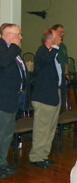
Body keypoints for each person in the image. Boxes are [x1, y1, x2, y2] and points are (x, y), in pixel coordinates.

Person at [0, 23, 25, 179]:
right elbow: (3, 62)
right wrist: (15, 47)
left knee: (7, 134)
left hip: (10, 98)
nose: (21, 37)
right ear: (9, 35)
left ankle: (2, 162)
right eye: (18, 34)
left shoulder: (9, 50)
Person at [29, 28, 62, 169]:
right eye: (58, 36)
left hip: (54, 94)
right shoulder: (42, 52)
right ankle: (36, 157)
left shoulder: (55, 54)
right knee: (41, 129)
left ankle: (44, 155)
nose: (61, 37)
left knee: (50, 128)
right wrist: (55, 47)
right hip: (43, 96)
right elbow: (47, 61)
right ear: (49, 40)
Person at [51, 24, 69, 112]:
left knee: (62, 96)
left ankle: (61, 113)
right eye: (60, 32)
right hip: (54, 77)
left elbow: (65, 61)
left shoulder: (63, 47)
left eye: (63, 32)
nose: (62, 34)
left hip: (62, 76)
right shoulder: (51, 47)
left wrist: (66, 73)